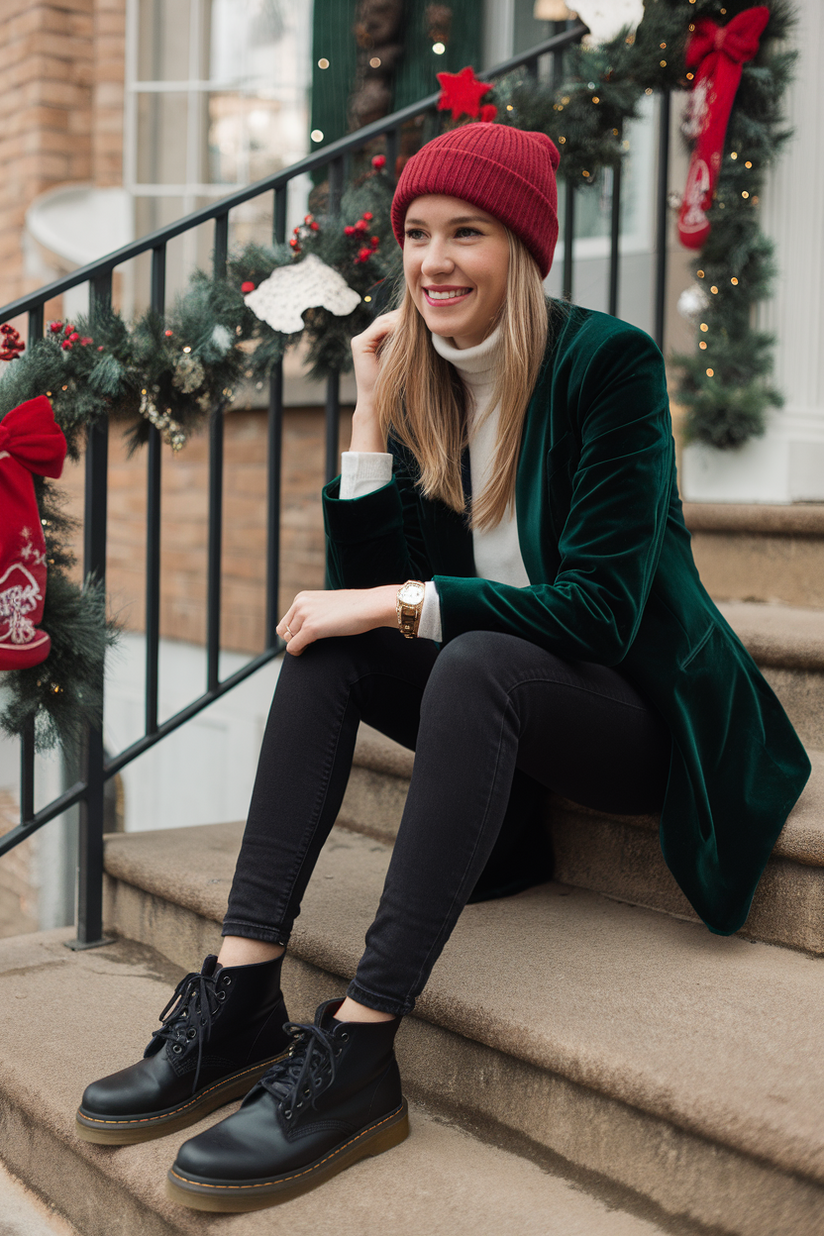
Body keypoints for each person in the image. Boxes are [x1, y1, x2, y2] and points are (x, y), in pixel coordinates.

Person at [75, 123, 810, 1212]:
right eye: (417, 233)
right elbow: (368, 615)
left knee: (470, 662)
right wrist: (370, 415)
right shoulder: (424, 379)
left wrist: (401, 601)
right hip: (506, 707)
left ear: (523, 250)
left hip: (635, 713)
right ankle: (237, 994)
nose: (431, 260)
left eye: (465, 233)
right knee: (336, 657)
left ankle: (360, 1048)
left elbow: (600, 614)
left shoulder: (607, 365)